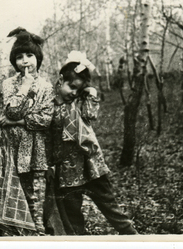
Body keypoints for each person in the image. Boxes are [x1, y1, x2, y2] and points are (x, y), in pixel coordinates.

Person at [48, 51, 138, 235]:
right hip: (66, 170)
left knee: (110, 205)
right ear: (60, 80)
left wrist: (90, 93)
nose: (73, 93)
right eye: (71, 87)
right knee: (72, 216)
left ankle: (132, 237)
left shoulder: (79, 102)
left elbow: (90, 115)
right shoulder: (48, 104)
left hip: (90, 164)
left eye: (78, 90)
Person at [0, 27, 54, 236]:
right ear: (14, 62)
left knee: (33, 202)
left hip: (34, 153)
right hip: (8, 151)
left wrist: (19, 121)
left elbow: (45, 119)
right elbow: (11, 111)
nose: (25, 61)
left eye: (30, 55)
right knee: (4, 196)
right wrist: (24, 87)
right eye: (19, 57)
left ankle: (35, 237)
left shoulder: (47, 87)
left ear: (37, 58)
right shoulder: (8, 84)